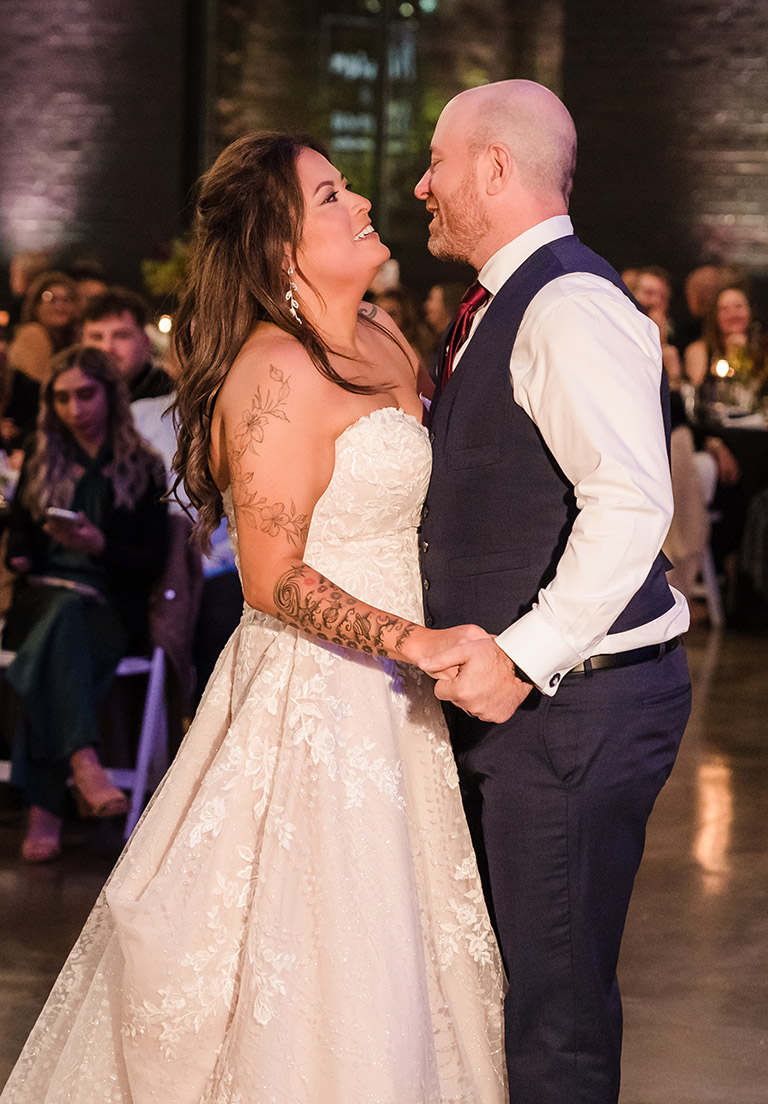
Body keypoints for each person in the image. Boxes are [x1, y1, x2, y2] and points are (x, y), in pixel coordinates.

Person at [0, 134, 506, 1104]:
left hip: (408, 706)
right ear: (280, 248)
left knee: (414, 950)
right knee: (325, 956)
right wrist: (413, 640)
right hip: (326, 693)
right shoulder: (274, 372)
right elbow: (271, 576)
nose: (360, 199)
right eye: (329, 193)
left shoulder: (391, 340)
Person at [413, 80, 692, 1104]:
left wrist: (521, 656)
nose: (420, 186)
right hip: (545, 707)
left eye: (437, 163)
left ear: (494, 166)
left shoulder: (568, 302)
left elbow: (630, 504)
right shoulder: (504, 302)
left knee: (555, 1015)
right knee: (515, 994)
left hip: (578, 708)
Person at [2, 345, 168, 863]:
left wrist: (100, 546)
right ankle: (82, 759)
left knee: (60, 641)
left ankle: (46, 810)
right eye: (62, 397)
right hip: (42, 599)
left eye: (86, 394)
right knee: (59, 620)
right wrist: (29, 555)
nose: (74, 408)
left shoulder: (142, 466)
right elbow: (18, 548)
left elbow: (151, 562)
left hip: (106, 606)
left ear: (110, 395)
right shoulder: (41, 453)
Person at [81, 287, 174, 401]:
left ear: (145, 342)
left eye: (121, 336)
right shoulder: (73, 401)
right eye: (96, 337)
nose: (106, 347)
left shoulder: (170, 403)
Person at [6, 270, 79, 384]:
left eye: (67, 299)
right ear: (35, 306)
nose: (60, 306)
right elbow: (38, 390)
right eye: (50, 299)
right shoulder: (33, 334)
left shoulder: (71, 339)